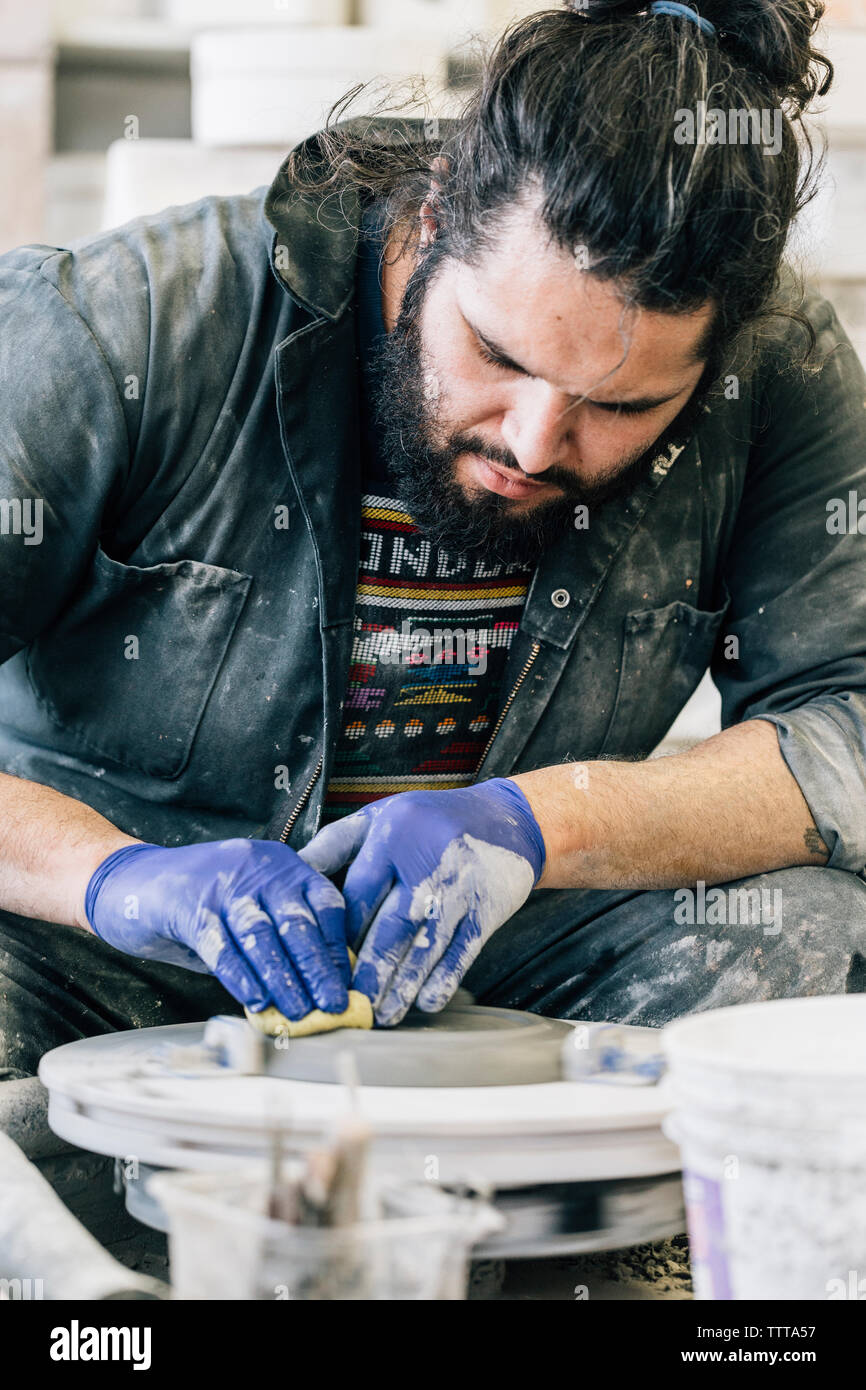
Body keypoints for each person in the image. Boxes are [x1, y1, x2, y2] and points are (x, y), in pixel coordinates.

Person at [1, 1, 864, 1079]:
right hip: (94, 959)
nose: (534, 441)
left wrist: (542, 824)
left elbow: (848, 718)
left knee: (808, 928)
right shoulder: (124, 326)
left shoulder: (776, 371)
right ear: (437, 205)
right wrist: (111, 878)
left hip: (487, 957)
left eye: (622, 407)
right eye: (498, 354)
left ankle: (540, 1215)